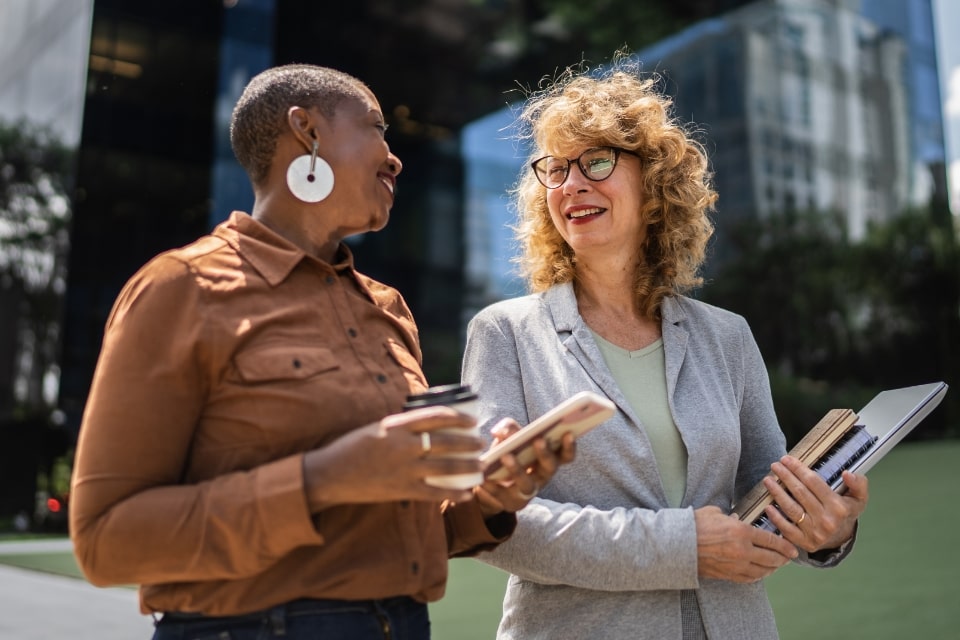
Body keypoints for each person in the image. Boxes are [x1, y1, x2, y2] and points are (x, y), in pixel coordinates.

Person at [69, 63, 572, 640]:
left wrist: (489, 498)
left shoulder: (388, 309)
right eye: (376, 127)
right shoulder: (180, 290)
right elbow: (106, 542)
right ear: (306, 131)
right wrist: (321, 479)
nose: (394, 156)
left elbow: (395, 529)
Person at [461, 56, 870, 640]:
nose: (571, 183)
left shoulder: (728, 337)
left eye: (597, 162)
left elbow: (767, 497)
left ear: (654, 189)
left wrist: (827, 530)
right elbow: (495, 521)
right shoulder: (504, 333)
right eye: (555, 168)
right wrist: (681, 547)